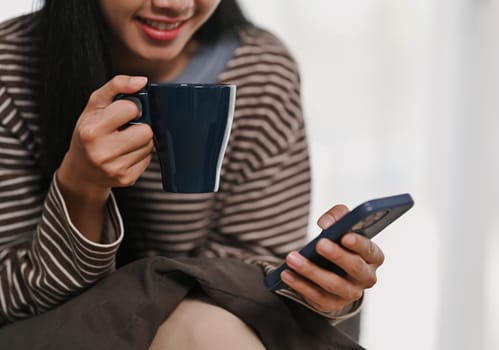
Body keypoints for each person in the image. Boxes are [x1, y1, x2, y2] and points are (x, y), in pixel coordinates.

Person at [0, 1, 384, 349]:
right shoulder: (11, 66)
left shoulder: (260, 72)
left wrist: (323, 290)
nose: (174, 4)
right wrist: (81, 187)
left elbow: (253, 282)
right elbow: (10, 302)